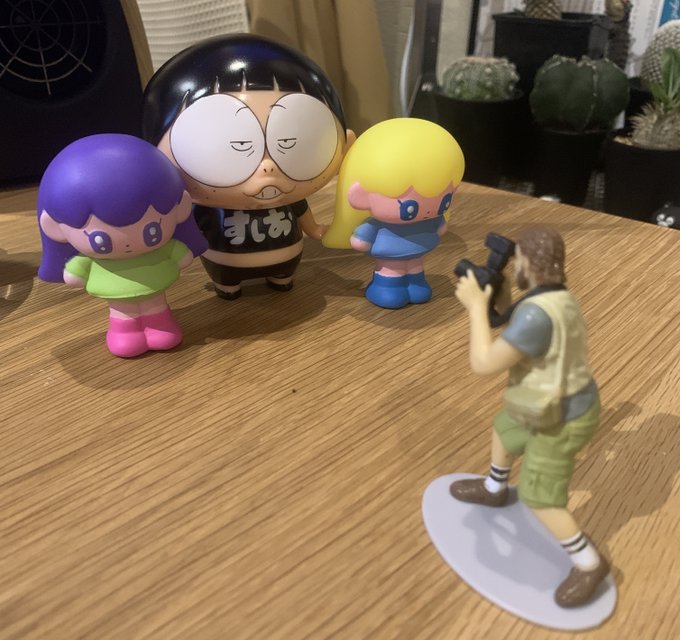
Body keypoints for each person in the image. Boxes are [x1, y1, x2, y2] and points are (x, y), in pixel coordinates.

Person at [451, 225, 609, 608]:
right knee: (505, 430)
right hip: (547, 400)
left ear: (529, 263)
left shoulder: (537, 316)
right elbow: (513, 324)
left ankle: (588, 563)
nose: (514, 265)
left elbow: (484, 363)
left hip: (562, 416)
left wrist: (475, 307)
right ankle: (494, 489)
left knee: (540, 498)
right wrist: (499, 294)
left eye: (516, 260)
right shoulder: (555, 297)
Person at [142, 34, 355, 300]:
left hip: (286, 255)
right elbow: (190, 228)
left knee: (283, 276)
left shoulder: (292, 200)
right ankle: (228, 286)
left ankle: (281, 278)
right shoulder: (209, 208)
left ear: (346, 144)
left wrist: (314, 229)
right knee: (228, 282)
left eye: (288, 143)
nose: (268, 167)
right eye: (239, 145)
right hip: (224, 260)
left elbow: (305, 217)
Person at [37, 134, 207, 357]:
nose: (126, 243)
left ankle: (159, 326)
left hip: (154, 292)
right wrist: (75, 272)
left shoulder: (166, 244)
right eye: (100, 239)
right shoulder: (90, 259)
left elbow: (180, 254)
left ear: (180, 208)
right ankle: (125, 333)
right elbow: (75, 274)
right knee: (125, 315)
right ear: (55, 228)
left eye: (151, 231)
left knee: (156, 309)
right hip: (120, 301)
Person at [323, 118, 464, 308]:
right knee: (393, 274)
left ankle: (416, 285)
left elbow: (440, 226)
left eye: (445, 200)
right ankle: (386, 288)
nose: (430, 209)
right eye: (410, 208)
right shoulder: (375, 225)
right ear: (360, 196)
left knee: (415, 272)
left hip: (417, 257)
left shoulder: (432, 219)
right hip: (389, 262)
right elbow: (360, 241)